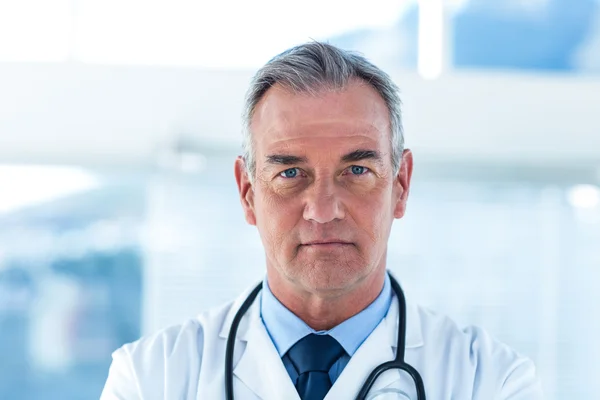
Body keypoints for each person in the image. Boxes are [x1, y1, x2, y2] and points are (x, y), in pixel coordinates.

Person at [100, 42, 544, 400]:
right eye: (290, 174)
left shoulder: (493, 383)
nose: (324, 209)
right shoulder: (149, 379)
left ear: (401, 186)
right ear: (248, 192)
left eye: (357, 171)